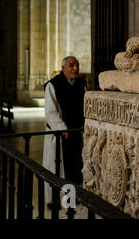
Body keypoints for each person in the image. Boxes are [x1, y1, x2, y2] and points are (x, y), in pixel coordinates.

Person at [42, 56, 86, 206]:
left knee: (76, 168)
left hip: (76, 134)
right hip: (61, 134)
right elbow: (51, 112)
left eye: (77, 65)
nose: (75, 68)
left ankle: (72, 199)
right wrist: (62, 128)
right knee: (58, 168)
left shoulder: (81, 84)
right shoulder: (53, 85)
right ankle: (54, 199)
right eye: (71, 65)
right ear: (63, 68)